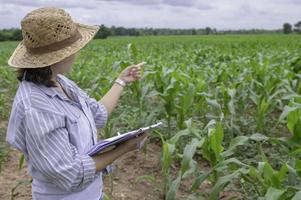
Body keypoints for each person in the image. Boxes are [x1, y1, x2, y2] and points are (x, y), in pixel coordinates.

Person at [6, 6, 149, 200]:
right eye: (73, 49)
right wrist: (123, 148)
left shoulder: (60, 82)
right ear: (60, 56)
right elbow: (71, 173)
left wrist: (121, 81)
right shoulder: (37, 106)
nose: (77, 53)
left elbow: (97, 114)